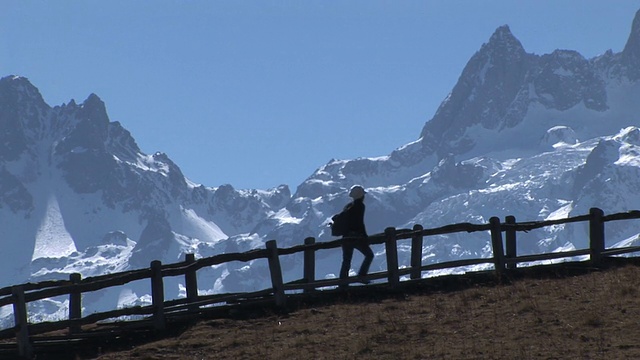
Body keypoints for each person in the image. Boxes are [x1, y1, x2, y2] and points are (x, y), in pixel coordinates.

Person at [338, 185, 374, 285]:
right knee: (369, 255)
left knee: (346, 261)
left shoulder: (348, 207)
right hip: (356, 237)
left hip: (345, 238)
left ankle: (343, 283)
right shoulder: (360, 206)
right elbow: (359, 222)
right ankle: (362, 276)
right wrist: (365, 236)